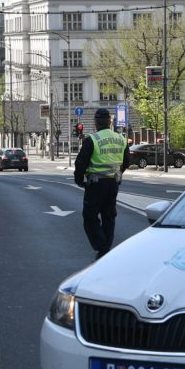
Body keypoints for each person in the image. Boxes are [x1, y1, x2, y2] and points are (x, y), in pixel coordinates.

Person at [74, 108, 130, 259]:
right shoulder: (121, 139)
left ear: (96, 122)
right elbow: (126, 162)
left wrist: (79, 180)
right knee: (109, 215)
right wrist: (117, 174)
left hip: (95, 184)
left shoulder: (92, 140)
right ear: (110, 121)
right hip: (113, 184)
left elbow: (80, 163)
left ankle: (101, 245)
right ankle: (106, 247)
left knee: (90, 216)